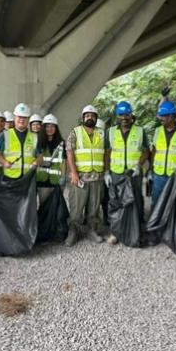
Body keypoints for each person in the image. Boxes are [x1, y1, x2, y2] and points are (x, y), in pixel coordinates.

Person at [104, 101, 149, 245]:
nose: (124, 117)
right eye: (121, 115)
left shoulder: (140, 131)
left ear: (131, 115)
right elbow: (107, 152)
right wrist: (106, 172)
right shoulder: (110, 132)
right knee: (116, 202)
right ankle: (116, 232)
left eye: (127, 115)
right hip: (116, 172)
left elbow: (146, 150)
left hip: (133, 173)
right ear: (117, 116)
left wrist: (139, 165)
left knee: (136, 200)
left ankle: (137, 229)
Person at [150, 101, 176, 240]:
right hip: (159, 174)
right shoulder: (157, 131)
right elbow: (154, 150)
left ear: (172, 116)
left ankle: (174, 230)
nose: (161, 118)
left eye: (164, 116)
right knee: (156, 202)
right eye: (160, 116)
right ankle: (156, 231)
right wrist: (150, 169)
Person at [65, 105, 106, 246]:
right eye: (87, 115)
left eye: (93, 115)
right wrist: (74, 173)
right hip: (80, 177)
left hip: (97, 177)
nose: (90, 117)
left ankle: (92, 230)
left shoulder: (101, 133)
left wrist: (105, 171)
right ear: (83, 118)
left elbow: (106, 152)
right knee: (76, 208)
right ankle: (73, 232)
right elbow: (69, 152)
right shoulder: (75, 132)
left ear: (96, 118)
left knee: (94, 207)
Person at [0, 103, 40, 180]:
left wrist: (37, 161)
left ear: (28, 119)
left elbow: (40, 155)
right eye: (19, 117)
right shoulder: (5, 135)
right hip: (10, 177)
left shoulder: (34, 136)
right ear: (15, 118)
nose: (22, 119)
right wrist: (4, 162)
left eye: (24, 117)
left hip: (28, 177)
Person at [36, 114, 66, 205]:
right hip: (42, 180)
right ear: (43, 128)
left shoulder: (61, 143)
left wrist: (63, 176)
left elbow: (64, 161)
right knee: (43, 206)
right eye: (47, 126)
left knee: (55, 207)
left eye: (52, 126)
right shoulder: (38, 142)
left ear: (56, 128)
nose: (50, 129)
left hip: (56, 181)